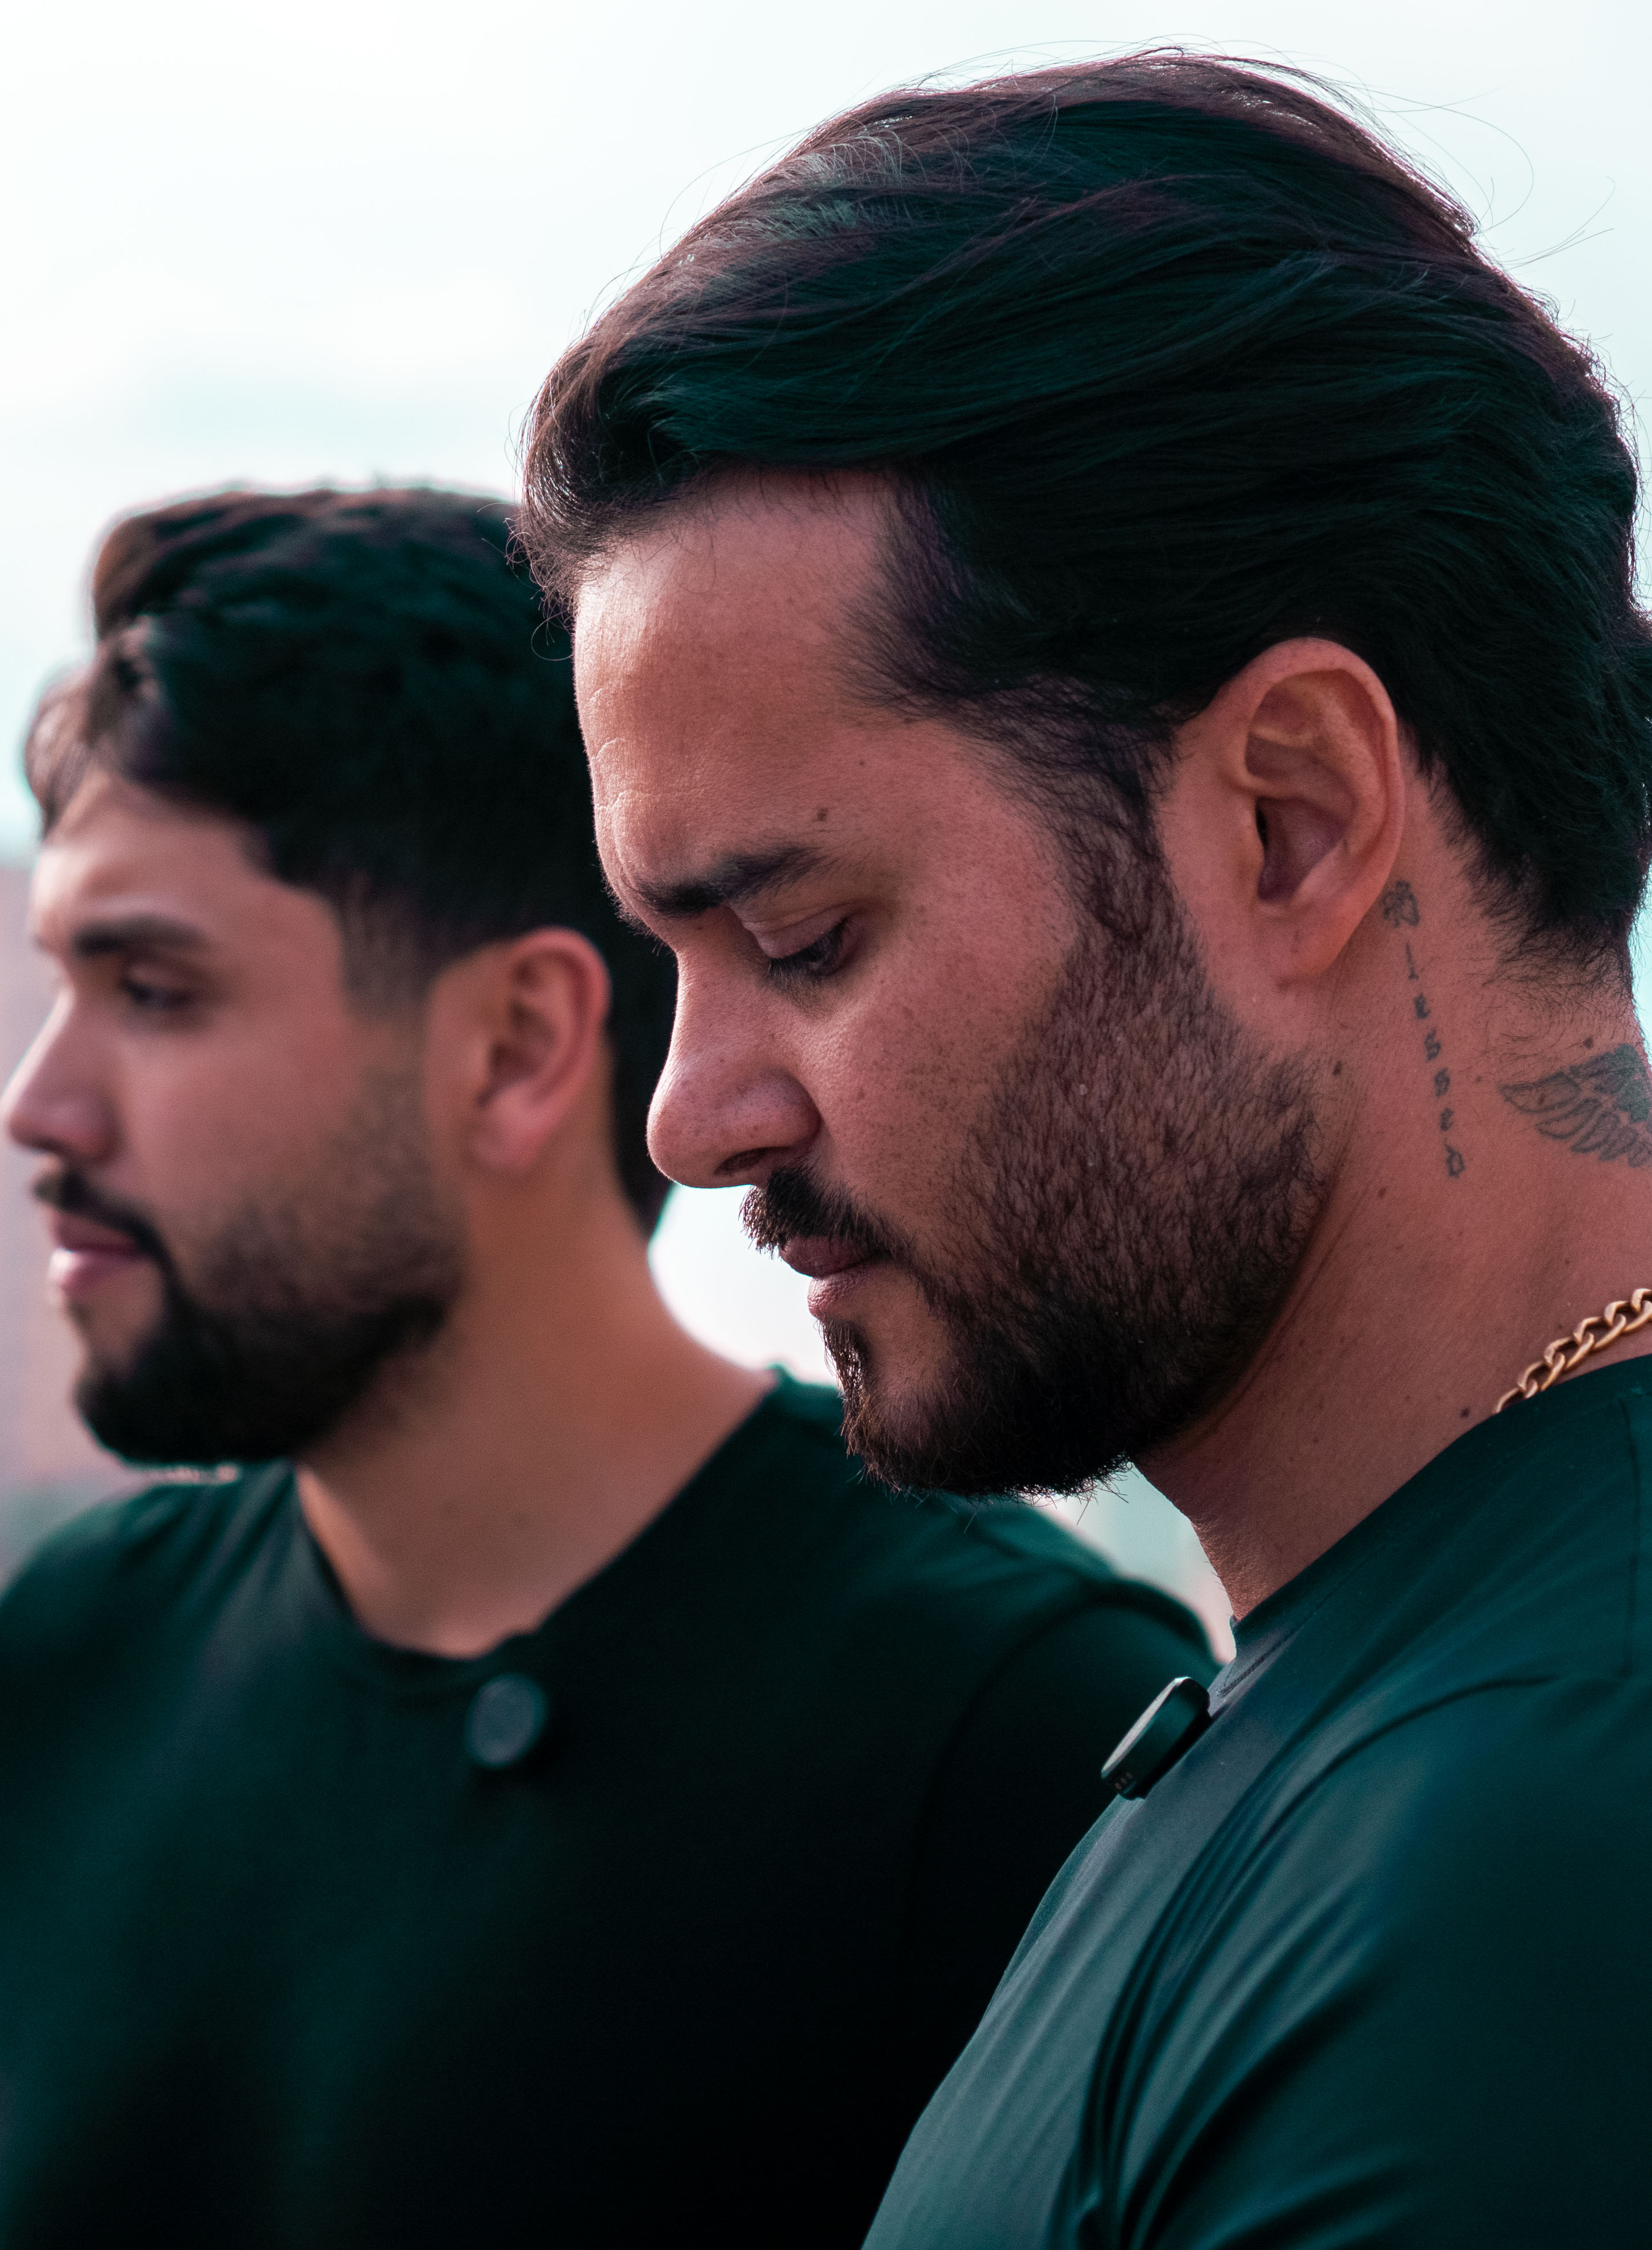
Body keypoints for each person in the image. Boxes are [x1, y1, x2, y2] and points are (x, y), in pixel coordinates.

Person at [517, 52, 1652, 2249]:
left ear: (1290, 821)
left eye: (802, 939)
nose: (691, 1116)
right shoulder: (1410, 1688)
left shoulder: (1539, 1868)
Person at [0, 488, 1213, 2249]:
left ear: (513, 1046)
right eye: (59, 987)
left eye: (155, 990)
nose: (38, 1106)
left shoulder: (1003, 1737)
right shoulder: (60, 1664)